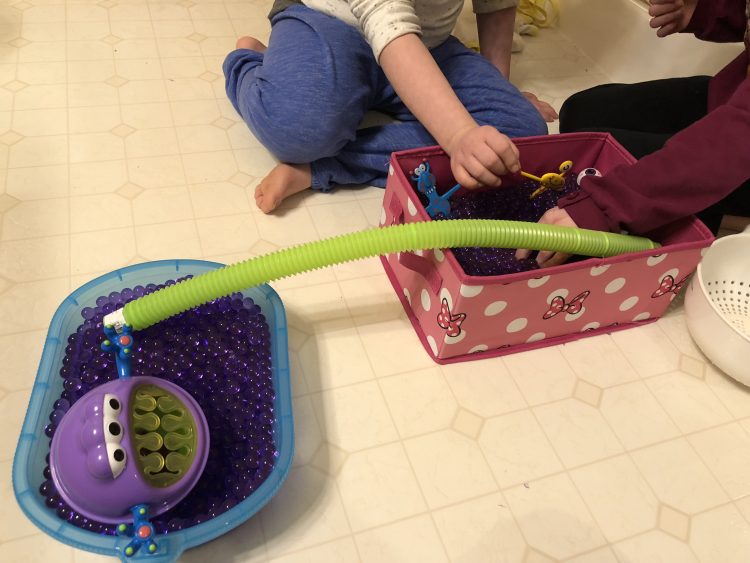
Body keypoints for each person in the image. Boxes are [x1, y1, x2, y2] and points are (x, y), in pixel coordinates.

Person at [223, 0, 555, 213]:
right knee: (299, 130)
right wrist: (459, 134)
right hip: (328, 23)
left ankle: (328, 167)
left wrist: (500, 86)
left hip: (425, 42)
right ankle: (250, 61)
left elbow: (495, 4)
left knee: (515, 140)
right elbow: (385, 18)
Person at [517, 0, 750, 267]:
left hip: (741, 141)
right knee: (582, 113)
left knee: (615, 176)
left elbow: (733, 141)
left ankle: (684, 253)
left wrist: (605, 206)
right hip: (733, 95)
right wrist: (711, 12)